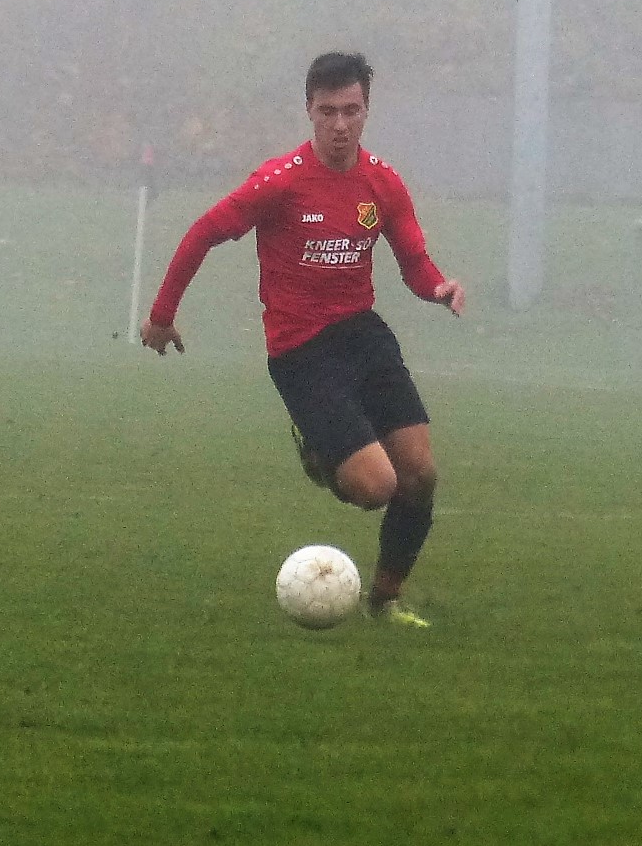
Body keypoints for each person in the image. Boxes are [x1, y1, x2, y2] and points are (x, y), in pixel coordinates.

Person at [140, 52, 466, 628]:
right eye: (328, 111)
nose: (340, 124)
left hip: (363, 335)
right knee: (377, 487)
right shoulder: (280, 182)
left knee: (420, 475)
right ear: (309, 111)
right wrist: (162, 315)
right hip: (301, 350)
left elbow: (414, 263)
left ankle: (385, 601)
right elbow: (203, 232)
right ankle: (319, 452)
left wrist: (438, 288)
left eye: (351, 111)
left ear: (367, 110)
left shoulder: (383, 183)